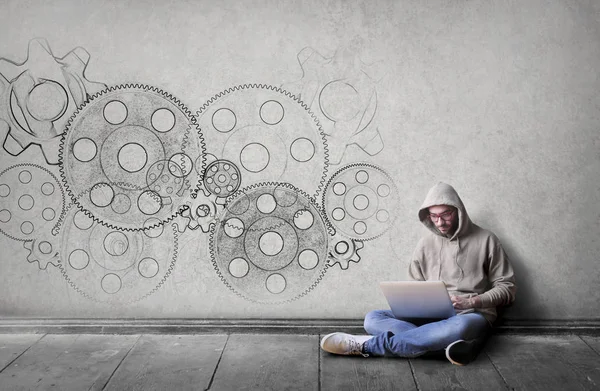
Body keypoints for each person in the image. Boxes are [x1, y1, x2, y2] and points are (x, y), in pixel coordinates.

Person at [320, 182, 516, 365]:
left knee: (459, 328)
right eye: (434, 216)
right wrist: (419, 307)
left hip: (470, 315)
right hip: (430, 317)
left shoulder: (487, 239)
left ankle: (368, 345)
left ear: (459, 211)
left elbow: (508, 289)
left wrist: (473, 302)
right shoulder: (425, 244)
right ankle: (441, 347)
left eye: (446, 214)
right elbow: (414, 288)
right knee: (373, 318)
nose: (440, 222)